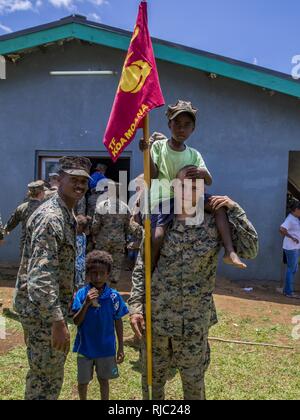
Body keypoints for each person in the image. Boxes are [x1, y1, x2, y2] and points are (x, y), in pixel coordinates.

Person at [129, 166, 258, 400]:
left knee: (194, 384)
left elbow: (250, 250)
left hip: (194, 324)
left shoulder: (216, 221)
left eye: (196, 185)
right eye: (185, 184)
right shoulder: (160, 220)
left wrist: (235, 209)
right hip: (156, 319)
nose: (190, 189)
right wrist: (136, 306)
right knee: (152, 382)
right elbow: (142, 266)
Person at [13, 156, 91, 400]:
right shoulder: (51, 218)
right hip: (43, 314)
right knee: (45, 376)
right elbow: (41, 276)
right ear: (60, 180)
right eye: (74, 180)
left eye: (83, 181)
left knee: (49, 373)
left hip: (47, 310)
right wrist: (57, 321)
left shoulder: (66, 212)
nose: (79, 185)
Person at [139, 100, 247, 270]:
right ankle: (150, 268)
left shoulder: (194, 154)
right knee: (157, 236)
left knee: (218, 206)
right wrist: (147, 153)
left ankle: (230, 251)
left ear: (193, 129)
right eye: (177, 124)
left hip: (188, 197)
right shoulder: (159, 147)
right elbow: (151, 175)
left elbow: (209, 180)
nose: (181, 129)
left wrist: (203, 173)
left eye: (187, 125)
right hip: (164, 197)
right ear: (169, 125)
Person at [72, 250, 129, 400]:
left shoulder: (114, 296)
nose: (97, 277)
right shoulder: (81, 294)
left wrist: (121, 347)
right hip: (85, 348)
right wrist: (86, 304)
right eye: (93, 273)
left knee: (104, 380)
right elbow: (76, 321)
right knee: (83, 381)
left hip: (106, 348)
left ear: (108, 274)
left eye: (101, 273)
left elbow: (118, 320)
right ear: (88, 274)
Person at [91, 182, 132, 285]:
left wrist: (94, 235)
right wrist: (126, 237)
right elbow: (128, 226)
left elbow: (95, 225)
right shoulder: (125, 207)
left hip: (103, 239)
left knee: (101, 263)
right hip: (119, 240)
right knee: (116, 264)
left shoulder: (101, 205)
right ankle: (113, 287)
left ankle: (101, 285)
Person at [4, 181, 46, 251]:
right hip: (41, 245)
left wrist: (3, 234)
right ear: (41, 193)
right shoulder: (46, 208)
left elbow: (10, 225)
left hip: (25, 245)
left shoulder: (21, 207)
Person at [280, 201, 300, 298]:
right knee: (291, 269)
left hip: (294, 247)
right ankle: (288, 292)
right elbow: (282, 229)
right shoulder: (290, 219)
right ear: (296, 210)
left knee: (293, 269)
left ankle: (287, 290)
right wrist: (292, 237)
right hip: (291, 248)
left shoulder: (295, 218)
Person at [75, 215, 90, 290]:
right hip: (81, 264)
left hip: (77, 264)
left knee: (77, 285)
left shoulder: (76, 236)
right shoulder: (83, 235)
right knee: (79, 285)